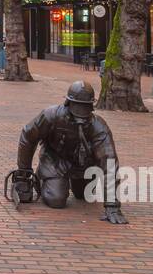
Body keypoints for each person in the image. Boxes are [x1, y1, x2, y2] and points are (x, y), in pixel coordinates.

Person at [13, 80, 128, 224]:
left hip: (83, 165)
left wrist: (112, 205)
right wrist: (24, 173)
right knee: (56, 199)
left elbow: (109, 161)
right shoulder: (51, 116)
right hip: (55, 161)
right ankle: (43, 178)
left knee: (84, 195)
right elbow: (27, 137)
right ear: (68, 103)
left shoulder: (98, 126)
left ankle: (73, 183)